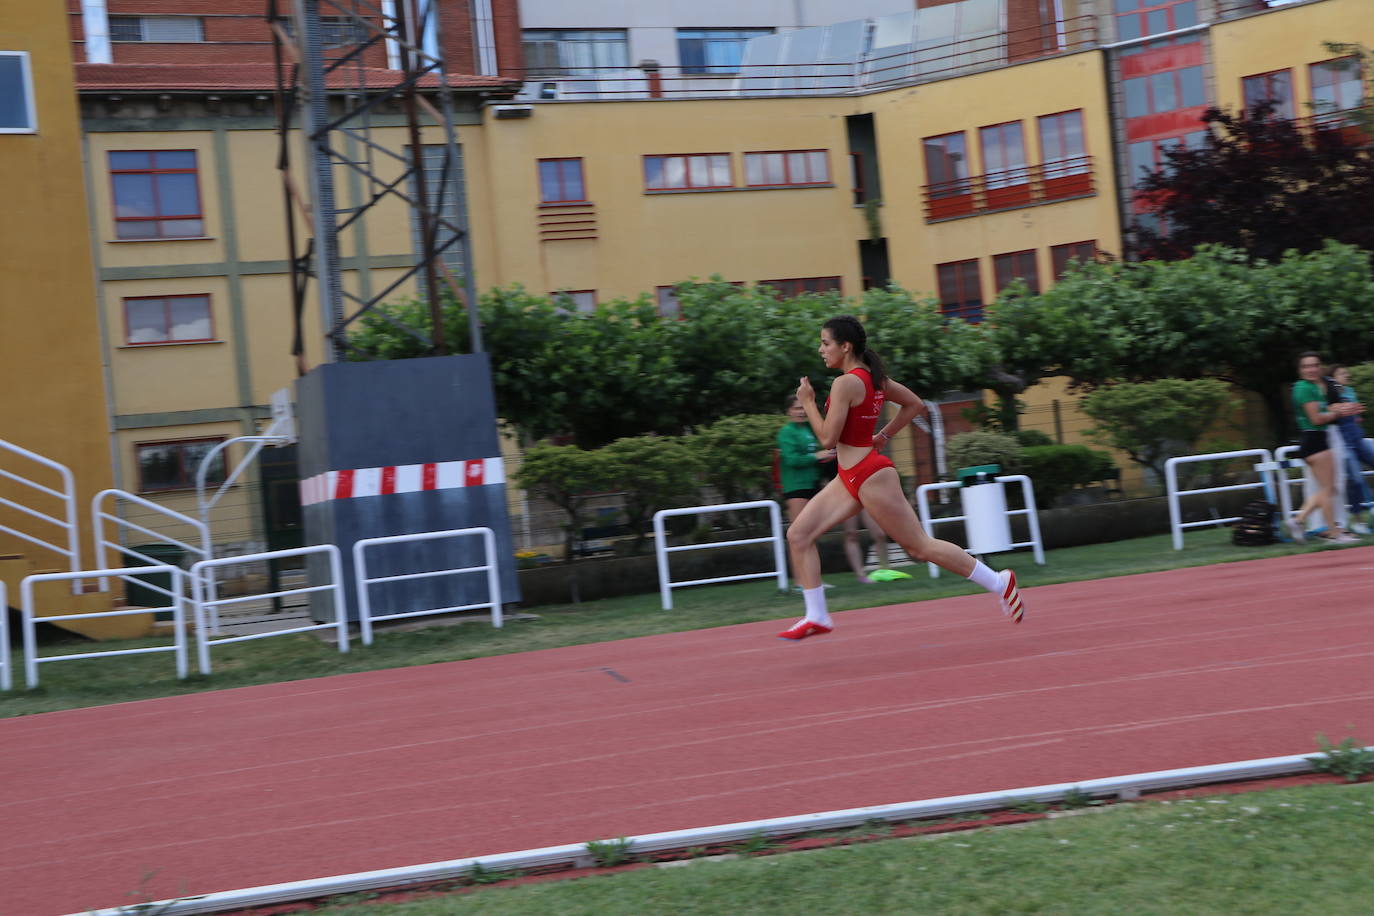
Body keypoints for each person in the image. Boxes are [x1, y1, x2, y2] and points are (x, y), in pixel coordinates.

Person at [778, 315, 1024, 640]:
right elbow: (914, 404)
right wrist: (883, 436)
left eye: (825, 343)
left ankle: (999, 581)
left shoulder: (846, 383)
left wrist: (809, 402)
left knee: (919, 547)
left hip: (869, 475)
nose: (821, 350)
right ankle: (817, 615)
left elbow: (827, 439)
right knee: (798, 535)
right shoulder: (873, 378)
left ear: (845, 346)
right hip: (849, 476)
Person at [777, 395, 891, 584]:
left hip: (817, 484)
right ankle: (801, 582)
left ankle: (814, 581)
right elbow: (792, 459)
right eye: (797, 408)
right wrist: (817, 457)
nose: (801, 412)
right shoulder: (787, 433)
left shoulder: (811, 430)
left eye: (802, 408)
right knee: (799, 535)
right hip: (797, 487)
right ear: (788, 411)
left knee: (811, 535)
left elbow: (830, 451)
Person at [1287, 352, 1362, 545]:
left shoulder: (1313, 387)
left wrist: (1342, 409)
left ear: (1320, 367)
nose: (1312, 369)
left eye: (1315, 365)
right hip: (1315, 440)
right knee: (1328, 489)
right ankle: (1333, 532)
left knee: (1329, 489)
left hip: (1316, 440)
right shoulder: (1304, 388)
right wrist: (1338, 413)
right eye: (1306, 366)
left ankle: (1299, 520)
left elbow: (1324, 411)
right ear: (1300, 370)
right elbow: (1317, 419)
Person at [1330, 365, 1374, 534]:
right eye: (1342, 373)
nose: (1346, 375)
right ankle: (1357, 521)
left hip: (1358, 438)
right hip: (1344, 443)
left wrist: (1357, 416)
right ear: (1333, 378)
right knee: (1355, 479)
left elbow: (1355, 416)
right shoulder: (1330, 395)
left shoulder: (1350, 391)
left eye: (1345, 372)